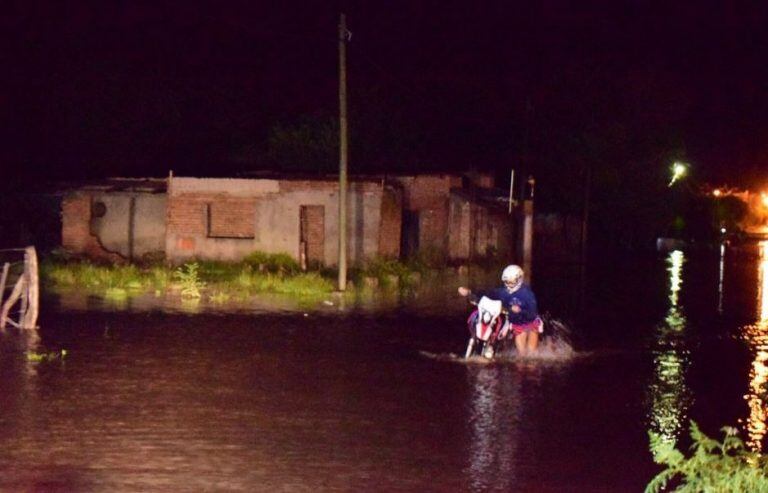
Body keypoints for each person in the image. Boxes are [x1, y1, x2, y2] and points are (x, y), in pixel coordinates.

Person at [458, 264, 543, 356]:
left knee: (531, 354)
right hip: (517, 324)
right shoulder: (503, 292)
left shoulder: (527, 294)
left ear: (519, 279)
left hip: (531, 323)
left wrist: (519, 311)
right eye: (507, 281)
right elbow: (488, 293)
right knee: (522, 355)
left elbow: (533, 314)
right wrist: (469, 291)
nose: (509, 284)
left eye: (512, 282)